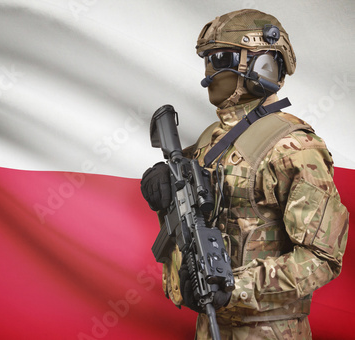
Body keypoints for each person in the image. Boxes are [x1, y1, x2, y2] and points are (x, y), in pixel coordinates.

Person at [140, 9, 349, 340]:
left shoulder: (294, 147)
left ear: (262, 64)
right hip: (210, 325)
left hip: (271, 331)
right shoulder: (211, 138)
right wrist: (161, 185)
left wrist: (234, 287)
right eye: (207, 59)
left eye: (220, 57)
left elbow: (321, 258)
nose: (209, 71)